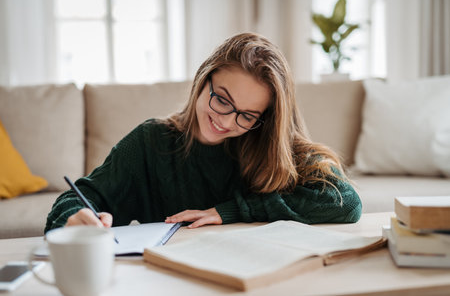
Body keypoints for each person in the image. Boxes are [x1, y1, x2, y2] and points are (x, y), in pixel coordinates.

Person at [45, 32, 361, 233]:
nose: (226, 121)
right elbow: (74, 201)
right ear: (203, 79)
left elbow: (346, 203)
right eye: (222, 99)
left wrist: (233, 211)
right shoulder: (151, 142)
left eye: (247, 115)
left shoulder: (268, 140)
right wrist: (76, 218)